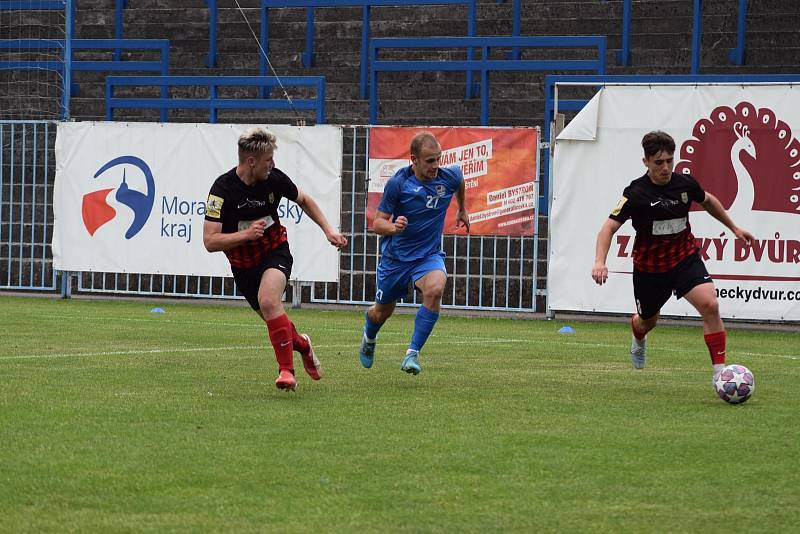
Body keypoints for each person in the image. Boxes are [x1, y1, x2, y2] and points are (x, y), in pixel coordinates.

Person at [591, 130, 754, 381]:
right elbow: (608, 227)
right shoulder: (636, 193)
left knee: (710, 304)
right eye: (659, 162)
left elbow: (708, 200)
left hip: (684, 258)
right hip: (650, 268)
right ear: (645, 162)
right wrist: (600, 261)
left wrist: (734, 227)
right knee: (648, 321)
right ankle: (638, 333)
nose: (665, 168)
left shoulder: (685, 184)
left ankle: (720, 375)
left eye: (669, 161)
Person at [203, 127, 348, 392]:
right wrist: (245, 235)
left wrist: (328, 230)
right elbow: (210, 241)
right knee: (275, 320)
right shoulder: (222, 190)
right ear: (251, 162)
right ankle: (303, 344)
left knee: (269, 301)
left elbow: (303, 199)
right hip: (243, 266)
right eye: (269, 159)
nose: (273, 164)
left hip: (274, 251)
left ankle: (286, 372)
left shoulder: (274, 179)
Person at [358, 131, 470, 375]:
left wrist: (462, 209)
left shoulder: (448, 177)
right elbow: (377, 224)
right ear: (414, 159)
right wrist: (395, 228)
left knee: (436, 288)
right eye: (430, 161)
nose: (436, 166)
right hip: (395, 259)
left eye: (438, 159)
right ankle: (369, 336)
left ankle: (412, 353)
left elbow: (459, 179)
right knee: (381, 312)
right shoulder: (399, 183)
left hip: (427, 256)